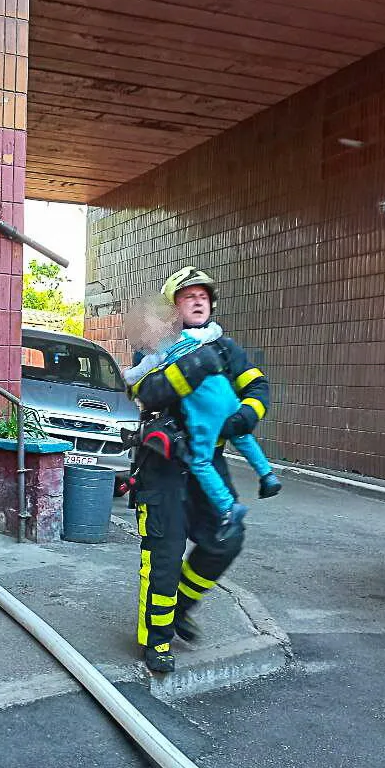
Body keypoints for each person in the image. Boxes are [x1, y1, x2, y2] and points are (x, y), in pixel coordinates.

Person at [127, 266, 272, 673]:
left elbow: (257, 388)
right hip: (164, 469)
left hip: (210, 466)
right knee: (164, 557)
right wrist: (195, 365)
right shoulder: (155, 348)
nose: (197, 301)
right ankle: (156, 640)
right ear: (173, 308)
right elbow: (148, 391)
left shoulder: (227, 348)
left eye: (203, 296)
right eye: (187, 296)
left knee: (226, 542)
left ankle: (181, 608)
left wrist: (246, 415)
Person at [123, 300, 280, 542]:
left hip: (202, 404)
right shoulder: (195, 335)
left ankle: (229, 508)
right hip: (224, 392)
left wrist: (126, 375)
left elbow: (135, 376)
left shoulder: (157, 353)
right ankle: (267, 475)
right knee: (242, 437)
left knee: (200, 462)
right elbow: (214, 331)